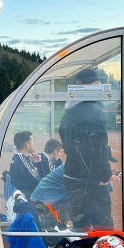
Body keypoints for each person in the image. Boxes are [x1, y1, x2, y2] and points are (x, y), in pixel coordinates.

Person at [58, 68, 114, 231]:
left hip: (73, 174)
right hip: (89, 179)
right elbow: (95, 146)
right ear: (93, 85)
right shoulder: (92, 110)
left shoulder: (70, 111)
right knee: (102, 225)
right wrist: (103, 175)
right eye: (97, 83)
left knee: (81, 224)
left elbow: (73, 146)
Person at [9, 131, 50, 199]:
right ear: (27, 145)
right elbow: (41, 182)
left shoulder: (23, 159)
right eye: (32, 141)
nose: (33, 144)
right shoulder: (21, 161)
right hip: (31, 199)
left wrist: (38, 163)